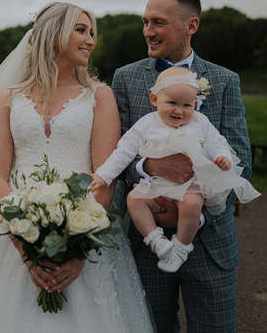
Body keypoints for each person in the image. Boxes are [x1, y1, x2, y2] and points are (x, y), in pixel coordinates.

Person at [0, 2, 154, 332]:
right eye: (81, 30)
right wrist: (25, 243)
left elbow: (106, 175)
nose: (90, 40)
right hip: (11, 237)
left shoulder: (99, 97)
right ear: (53, 33)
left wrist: (77, 251)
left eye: (92, 33)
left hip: (86, 234)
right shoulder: (9, 97)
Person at [111, 0, 253, 332]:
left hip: (210, 242)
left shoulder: (224, 80)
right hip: (147, 242)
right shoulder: (126, 78)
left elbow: (241, 157)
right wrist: (150, 166)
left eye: (158, 22)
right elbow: (116, 150)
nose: (148, 31)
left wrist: (196, 213)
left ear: (191, 25)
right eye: (145, 22)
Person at [92, 67, 258, 273]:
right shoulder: (146, 124)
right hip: (156, 184)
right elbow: (123, 151)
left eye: (187, 105)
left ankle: (181, 247)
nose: (179, 111)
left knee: (192, 203)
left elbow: (219, 142)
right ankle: (155, 240)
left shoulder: (200, 121)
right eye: (172, 103)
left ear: (195, 104)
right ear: (154, 99)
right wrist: (103, 175)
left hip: (189, 184)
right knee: (134, 199)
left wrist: (223, 157)